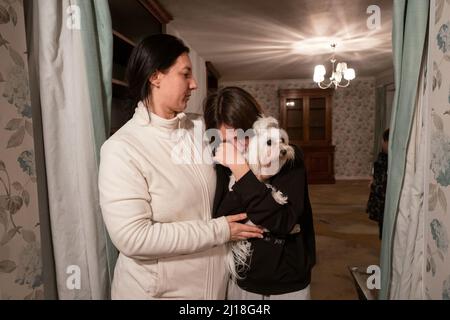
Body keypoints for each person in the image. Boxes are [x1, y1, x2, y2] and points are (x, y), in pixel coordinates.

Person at [98, 35, 263, 300]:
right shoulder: (122, 149)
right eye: (185, 74)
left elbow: (255, 146)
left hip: (213, 289)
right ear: (155, 77)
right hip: (157, 294)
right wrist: (220, 230)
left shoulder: (201, 128)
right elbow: (134, 238)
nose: (195, 84)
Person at [204, 86, 316, 300]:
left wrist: (243, 173)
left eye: (243, 136)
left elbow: (283, 222)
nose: (238, 147)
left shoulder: (289, 156)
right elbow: (224, 217)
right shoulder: (224, 160)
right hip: (243, 278)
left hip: (288, 276)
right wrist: (252, 178)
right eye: (228, 141)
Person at [366, 128, 389, 239]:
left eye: (383, 141)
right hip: (380, 202)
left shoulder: (390, 160)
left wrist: (373, 184)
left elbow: (383, 186)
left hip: (383, 202)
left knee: (385, 229)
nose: (381, 143)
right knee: (382, 227)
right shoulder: (382, 157)